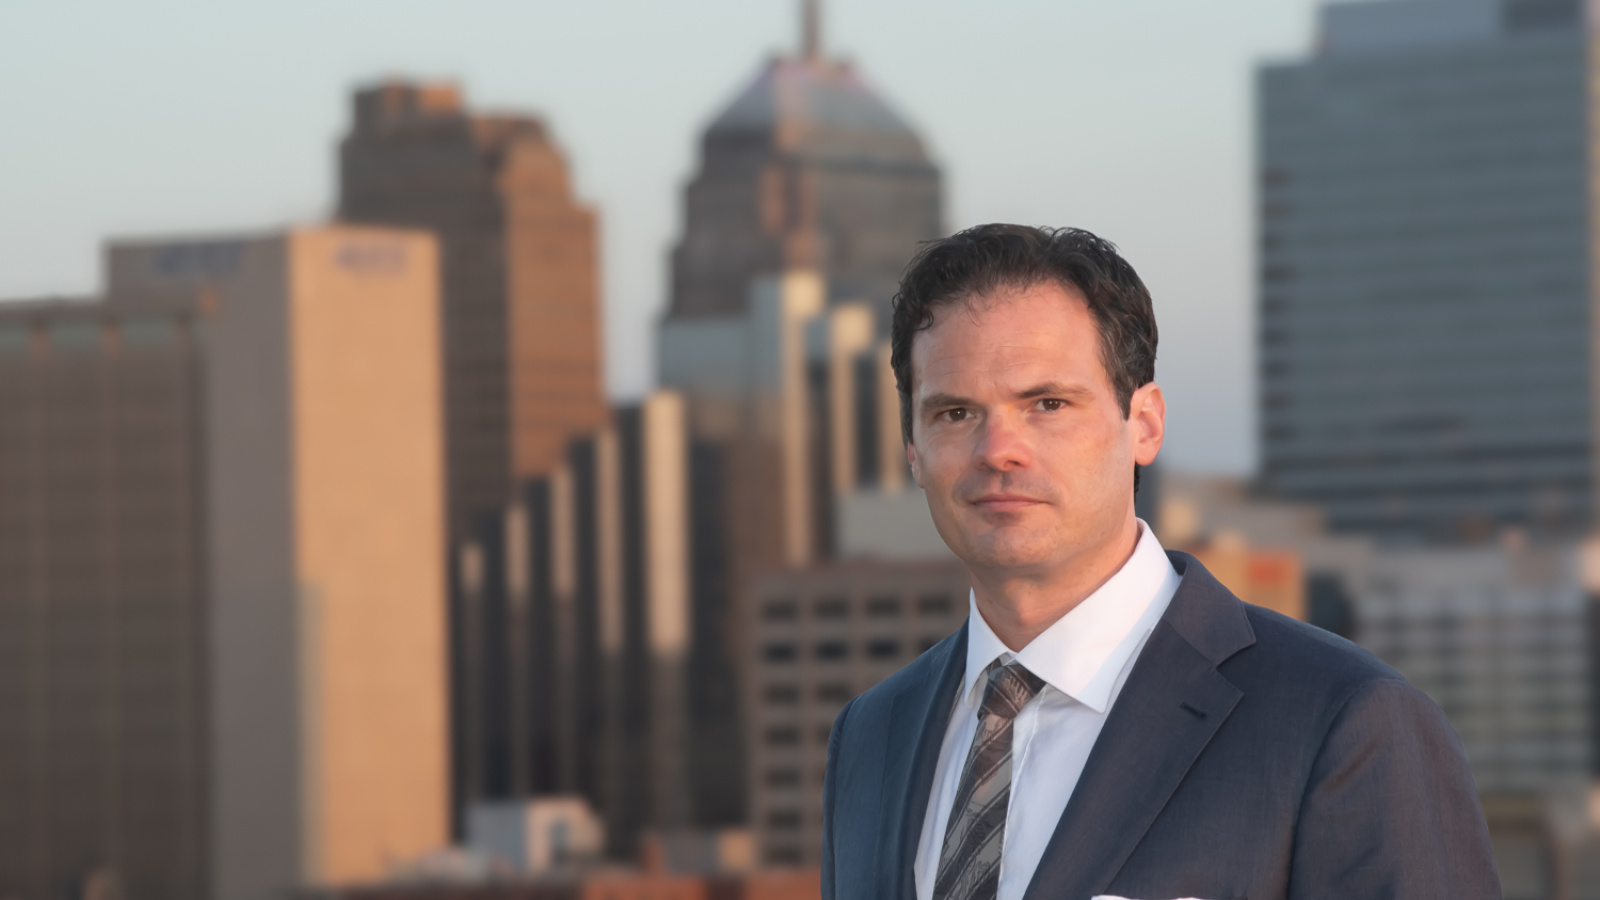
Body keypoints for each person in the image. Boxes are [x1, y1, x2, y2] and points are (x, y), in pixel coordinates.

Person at [820, 224, 1498, 900]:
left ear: (1144, 424)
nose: (999, 450)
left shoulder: (1343, 721)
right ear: (913, 451)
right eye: (955, 413)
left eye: (1048, 404)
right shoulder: (871, 735)